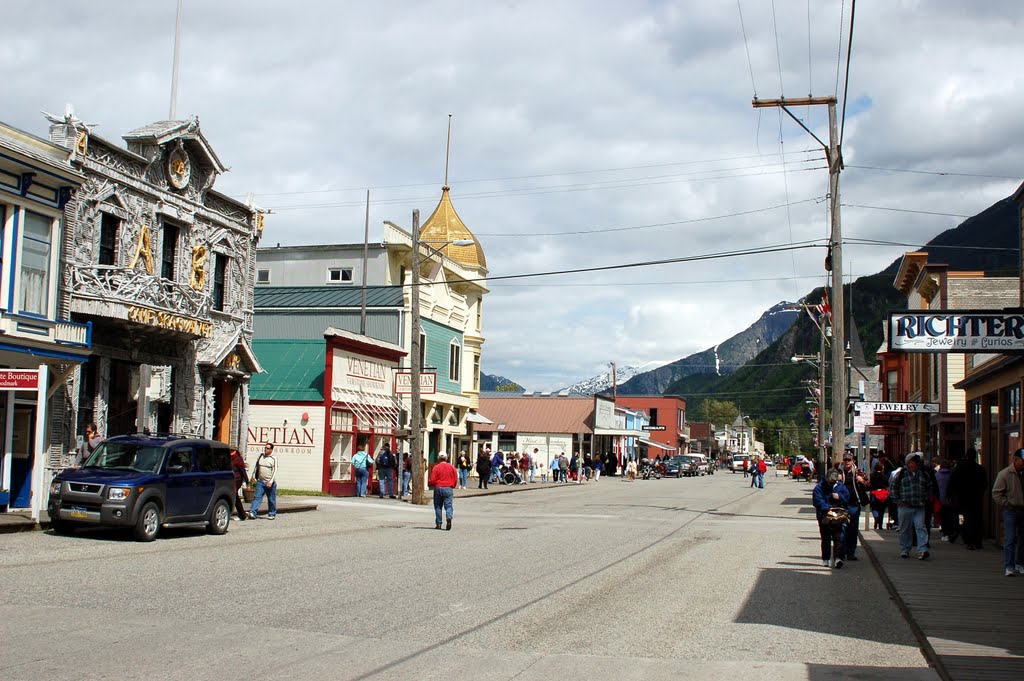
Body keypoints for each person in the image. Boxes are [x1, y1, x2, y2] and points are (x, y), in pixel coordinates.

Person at [889, 452, 932, 560]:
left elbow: (929, 487)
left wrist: (925, 498)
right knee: (905, 529)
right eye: (912, 462)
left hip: (919, 506)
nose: (914, 465)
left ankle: (922, 550)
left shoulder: (923, 474)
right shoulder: (901, 474)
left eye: (917, 463)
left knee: (920, 527)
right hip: (905, 507)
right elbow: (893, 489)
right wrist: (898, 501)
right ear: (908, 463)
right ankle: (904, 549)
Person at [991, 448, 1024, 577]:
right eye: (1022, 461)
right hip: (1011, 510)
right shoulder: (1005, 474)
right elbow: (996, 493)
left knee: (1023, 539)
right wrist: (1007, 503)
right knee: (1010, 538)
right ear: (1016, 460)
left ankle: (1020, 563)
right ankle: (1009, 566)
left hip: (1022, 510)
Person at [948, 447, 987, 550]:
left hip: (962, 498)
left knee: (965, 519)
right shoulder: (980, 468)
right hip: (976, 498)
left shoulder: (960, 468)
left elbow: (952, 482)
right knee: (977, 519)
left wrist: (950, 495)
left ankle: (969, 541)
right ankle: (978, 541)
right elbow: (984, 484)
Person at [813, 468, 850, 568]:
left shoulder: (841, 486)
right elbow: (817, 500)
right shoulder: (820, 487)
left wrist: (839, 496)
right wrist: (826, 508)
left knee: (839, 537)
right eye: (830, 481)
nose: (831, 483)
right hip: (824, 515)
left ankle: (838, 558)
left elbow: (847, 498)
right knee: (826, 538)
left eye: (834, 481)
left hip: (838, 515)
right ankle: (826, 559)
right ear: (826, 478)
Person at [840, 454, 870, 560]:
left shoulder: (858, 472)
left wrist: (862, 481)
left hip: (854, 504)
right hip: (841, 505)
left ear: (853, 461)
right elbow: (827, 483)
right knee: (842, 529)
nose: (847, 461)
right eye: (845, 460)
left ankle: (851, 552)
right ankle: (841, 552)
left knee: (853, 529)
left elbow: (868, 485)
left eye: (849, 460)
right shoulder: (838, 472)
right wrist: (836, 480)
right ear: (842, 461)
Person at [428, 452, 458, 530]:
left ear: (438, 458)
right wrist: (453, 485)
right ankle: (449, 517)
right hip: (448, 487)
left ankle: (438, 523)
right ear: (446, 458)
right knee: (448, 505)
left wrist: (431, 484)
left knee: (438, 506)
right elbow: (455, 478)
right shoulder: (451, 467)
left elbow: (432, 479)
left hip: (438, 487)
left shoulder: (436, 467)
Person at [248, 442, 278, 519]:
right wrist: (254, 476)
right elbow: (256, 467)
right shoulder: (261, 456)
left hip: (269, 482)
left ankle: (272, 513)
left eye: (268, 448)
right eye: (265, 448)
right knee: (257, 497)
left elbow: (275, 470)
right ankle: (252, 512)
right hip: (260, 481)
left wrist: (271, 481)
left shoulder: (273, 458)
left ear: (271, 449)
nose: (266, 449)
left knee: (271, 499)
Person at [934, 458, 960, 543]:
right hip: (951, 499)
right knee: (952, 516)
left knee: (943, 517)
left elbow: (934, 487)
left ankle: (945, 533)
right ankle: (952, 532)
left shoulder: (937, 475)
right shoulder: (952, 475)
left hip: (941, 499)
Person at [868, 462, 890, 530]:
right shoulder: (884, 476)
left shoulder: (871, 476)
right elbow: (887, 484)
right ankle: (880, 525)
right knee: (882, 510)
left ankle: (876, 518)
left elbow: (869, 484)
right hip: (883, 494)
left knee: (874, 508)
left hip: (874, 493)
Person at [229, 448, 249, 521]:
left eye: (231, 451)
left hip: (237, 480)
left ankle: (241, 514)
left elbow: (243, 471)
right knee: (234, 496)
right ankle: (241, 514)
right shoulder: (229, 458)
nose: (230, 452)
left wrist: (247, 482)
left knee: (234, 496)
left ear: (235, 451)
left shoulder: (238, 459)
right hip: (231, 480)